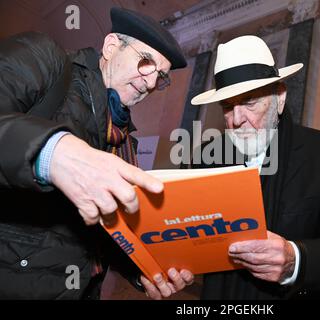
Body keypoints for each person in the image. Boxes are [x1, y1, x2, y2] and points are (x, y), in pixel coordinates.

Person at [0, 7, 193, 299]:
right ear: (111, 46)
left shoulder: (124, 139)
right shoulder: (45, 58)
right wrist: (51, 152)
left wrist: (142, 271)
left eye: (161, 77)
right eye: (146, 63)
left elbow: (104, 230)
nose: (151, 83)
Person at [190, 35, 320, 299]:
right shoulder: (205, 158)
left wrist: (295, 259)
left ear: (279, 97)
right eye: (228, 107)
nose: (237, 119)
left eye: (250, 102)